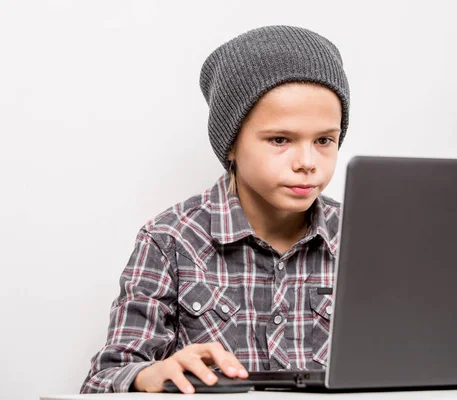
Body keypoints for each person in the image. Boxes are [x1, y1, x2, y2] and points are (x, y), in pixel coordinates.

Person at [81, 25, 350, 394]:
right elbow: (100, 382)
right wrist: (149, 375)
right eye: (280, 140)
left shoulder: (362, 235)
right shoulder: (169, 240)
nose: (307, 162)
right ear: (231, 145)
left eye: (324, 140)